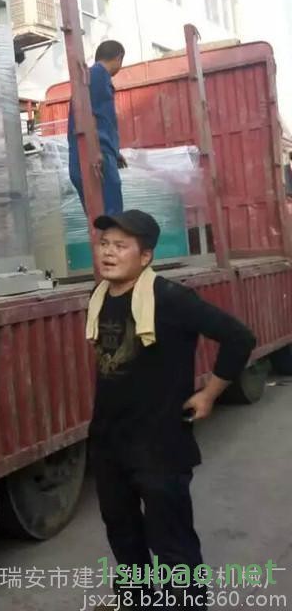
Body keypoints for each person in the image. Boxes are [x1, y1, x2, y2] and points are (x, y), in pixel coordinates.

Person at [87, 210, 256, 608]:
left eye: (121, 246)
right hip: (110, 442)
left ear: (145, 256)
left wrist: (209, 394)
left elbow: (239, 337)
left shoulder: (171, 298)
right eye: (104, 244)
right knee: (123, 533)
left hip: (159, 443)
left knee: (171, 542)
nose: (108, 253)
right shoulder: (100, 297)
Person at [69, 41, 127, 215]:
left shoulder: (94, 77)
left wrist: (115, 152)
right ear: (119, 58)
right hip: (96, 157)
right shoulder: (98, 76)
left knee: (101, 218)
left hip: (97, 154)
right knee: (110, 218)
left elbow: (101, 119)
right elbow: (89, 115)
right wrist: (97, 150)